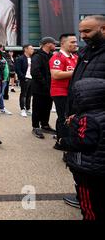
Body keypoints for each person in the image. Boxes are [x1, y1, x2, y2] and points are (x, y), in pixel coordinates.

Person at [62, 15, 105, 211]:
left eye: (87, 31)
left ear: (103, 29)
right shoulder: (87, 51)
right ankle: (83, 195)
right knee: (80, 163)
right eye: (80, 31)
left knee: (91, 166)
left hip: (97, 122)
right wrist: (73, 112)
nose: (82, 36)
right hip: (79, 117)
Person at [59, 78, 105, 220]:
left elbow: (83, 142)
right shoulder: (99, 114)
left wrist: (64, 142)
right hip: (99, 168)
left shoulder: (87, 118)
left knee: (88, 203)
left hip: (87, 170)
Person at [50, 34, 78, 149]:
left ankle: (61, 139)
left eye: (76, 42)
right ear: (63, 43)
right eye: (72, 42)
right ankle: (61, 143)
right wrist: (77, 72)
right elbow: (56, 75)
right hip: (60, 92)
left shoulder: (74, 57)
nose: (75, 44)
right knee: (64, 117)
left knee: (66, 117)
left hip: (71, 92)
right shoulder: (58, 57)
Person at [30, 37, 57, 139]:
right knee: (37, 107)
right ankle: (36, 127)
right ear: (47, 44)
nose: (55, 45)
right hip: (39, 88)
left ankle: (45, 125)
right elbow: (35, 72)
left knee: (47, 107)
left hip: (50, 87)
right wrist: (45, 84)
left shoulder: (51, 56)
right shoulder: (37, 56)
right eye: (54, 43)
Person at [15, 44, 34, 117]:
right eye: (31, 48)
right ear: (26, 49)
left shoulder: (32, 58)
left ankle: (28, 108)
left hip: (32, 79)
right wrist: (23, 77)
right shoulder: (21, 58)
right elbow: (18, 69)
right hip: (25, 79)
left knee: (29, 95)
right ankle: (22, 109)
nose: (32, 50)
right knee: (23, 94)